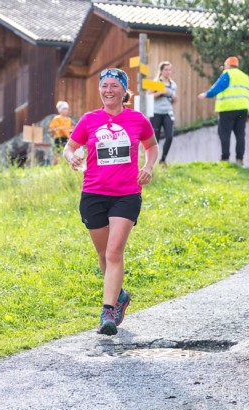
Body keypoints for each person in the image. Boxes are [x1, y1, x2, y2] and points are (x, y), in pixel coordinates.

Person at [63, 68, 158, 335]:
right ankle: (121, 295)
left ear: (124, 91)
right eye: (104, 86)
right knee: (104, 255)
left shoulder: (138, 120)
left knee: (114, 253)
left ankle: (108, 311)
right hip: (93, 193)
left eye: (114, 86)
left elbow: (152, 146)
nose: (108, 90)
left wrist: (148, 167)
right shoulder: (89, 119)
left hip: (127, 194)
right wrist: (71, 156)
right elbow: (70, 146)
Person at [198, 56, 249, 165]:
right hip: (242, 109)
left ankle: (225, 158)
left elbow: (219, 86)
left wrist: (207, 94)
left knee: (224, 133)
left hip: (228, 108)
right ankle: (239, 159)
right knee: (240, 134)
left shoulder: (227, 74)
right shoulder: (245, 77)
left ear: (227, 65)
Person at [148, 61, 177, 166]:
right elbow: (148, 97)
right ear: (161, 71)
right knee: (155, 139)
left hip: (168, 113)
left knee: (169, 136)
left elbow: (173, 99)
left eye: (169, 69)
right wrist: (161, 92)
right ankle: (151, 162)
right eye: (166, 69)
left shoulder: (173, 84)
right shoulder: (155, 82)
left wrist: (174, 99)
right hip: (156, 113)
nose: (168, 72)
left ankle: (163, 160)